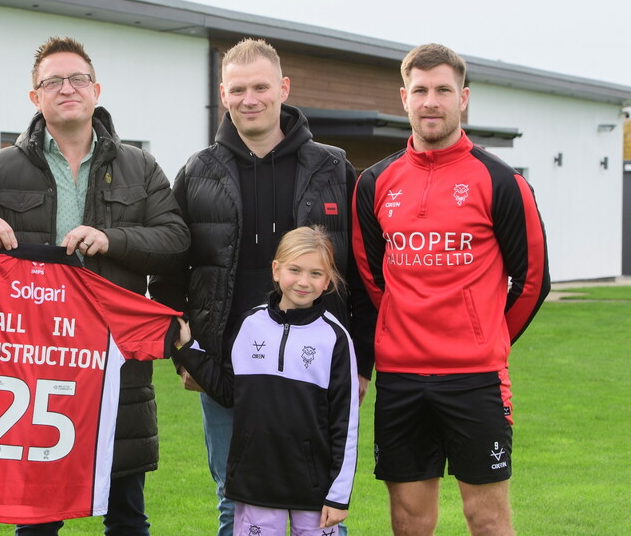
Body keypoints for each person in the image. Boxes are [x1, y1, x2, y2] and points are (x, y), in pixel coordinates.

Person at [0, 36, 189, 535]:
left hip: (111, 359)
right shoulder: (2, 166)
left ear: (96, 89)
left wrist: (111, 238)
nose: (66, 88)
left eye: (77, 78)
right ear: (35, 98)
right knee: (35, 520)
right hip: (34, 368)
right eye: (52, 81)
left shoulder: (139, 168)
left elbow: (176, 239)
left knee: (126, 516)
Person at [149, 38, 375, 536]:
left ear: (283, 89)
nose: (249, 99)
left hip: (313, 371)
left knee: (318, 505)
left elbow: (361, 272)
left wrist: (361, 359)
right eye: (237, 89)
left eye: (260, 87)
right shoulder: (198, 171)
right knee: (235, 502)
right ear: (223, 95)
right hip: (228, 365)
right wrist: (186, 353)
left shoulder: (332, 167)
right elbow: (169, 271)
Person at [351, 43, 550, 536]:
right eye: (420, 90)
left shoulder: (501, 181)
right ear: (404, 98)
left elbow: (532, 282)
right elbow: (372, 279)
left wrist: (486, 338)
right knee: (408, 521)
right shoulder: (374, 183)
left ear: (464, 97)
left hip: (475, 377)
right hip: (400, 376)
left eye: (443, 90)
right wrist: (406, 327)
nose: (431, 101)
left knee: (486, 519)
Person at [172, 226, 359, 536]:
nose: (303, 281)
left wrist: (338, 496)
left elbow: (346, 422)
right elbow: (229, 391)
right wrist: (189, 348)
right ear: (276, 270)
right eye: (295, 270)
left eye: (315, 273)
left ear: (327, 281)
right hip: (257, 480)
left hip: (314, 488)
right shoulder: (250, 325)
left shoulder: (335, 338)